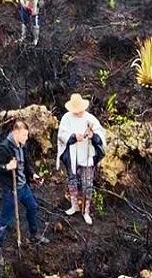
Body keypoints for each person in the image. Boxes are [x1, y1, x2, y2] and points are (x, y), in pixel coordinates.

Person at [0, 120, 48, 266]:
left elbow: (25, 163)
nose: (26, 138)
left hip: (23, 187)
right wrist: (7, 166)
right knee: (5, 219)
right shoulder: (4, 148)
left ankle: (34, 234)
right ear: (15, 133)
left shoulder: (22, 145)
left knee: (33, 207)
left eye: (27, 135)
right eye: (24, 135)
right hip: (11, 190)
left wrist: (32, 175)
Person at [56, 93, 106, 225]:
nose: (78, 112)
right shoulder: (66, 118)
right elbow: (61, 135)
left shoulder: (91, 119)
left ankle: (86, 211)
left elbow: (101, 137)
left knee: (87, 185)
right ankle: (74, 206)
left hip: (87, 156)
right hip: (72, 156)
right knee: (72, 180)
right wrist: (73, 137)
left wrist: (92, 136)